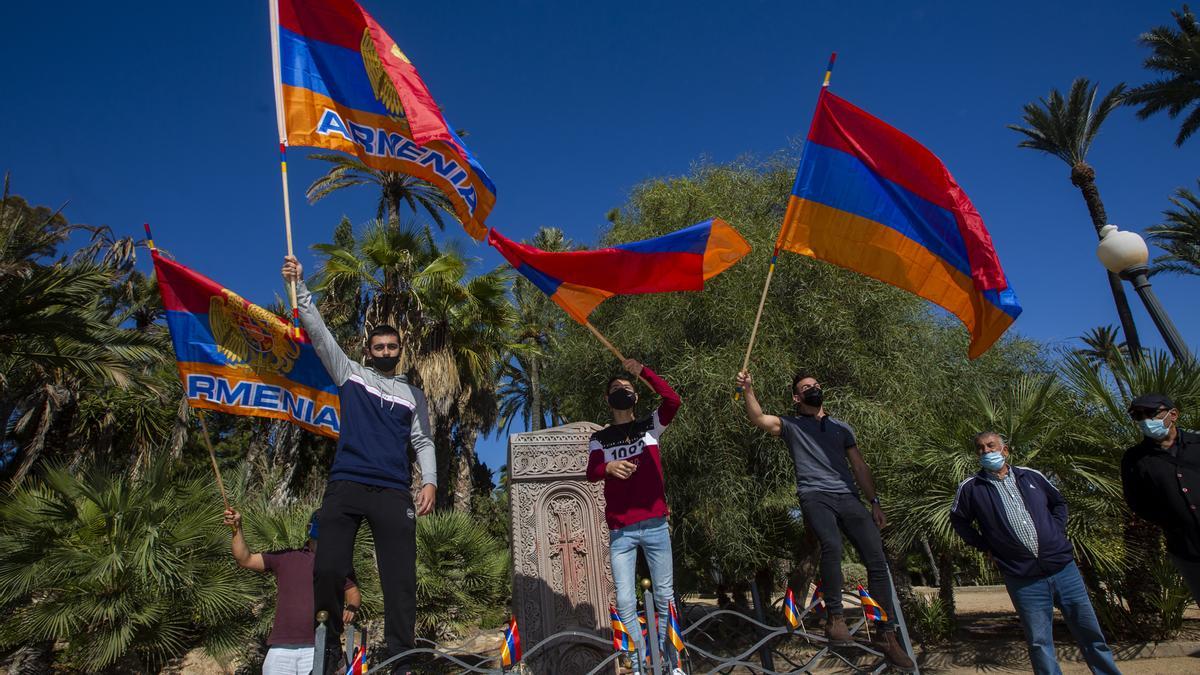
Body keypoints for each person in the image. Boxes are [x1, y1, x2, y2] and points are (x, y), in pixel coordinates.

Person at [282, 255, 436, 674]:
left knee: (399, 579)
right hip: (347, 483)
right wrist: (299, 286)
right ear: (368, 350)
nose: (385, 352)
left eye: (392, 347)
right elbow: (318, 332)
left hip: (392, 489)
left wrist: (430, 482)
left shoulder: (413, 394)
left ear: (400, 352)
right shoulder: (350, 374)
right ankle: (329, 646)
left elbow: (422, 439)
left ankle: (401, 656)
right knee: (328, 566)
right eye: (379, 347)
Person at [735, 370, 914, 672]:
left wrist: (874, 502)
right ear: (797, 397)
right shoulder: (791, 424)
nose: (813, 389)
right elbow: (758, 418)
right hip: (815, 495)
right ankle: (836, 618)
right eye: (806, 388)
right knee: (831, 545)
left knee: (876, 559)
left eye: (816, 386)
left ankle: (886, 634)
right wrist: (748, 390)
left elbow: (858, 465)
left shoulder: (842, 428)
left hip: (849, 497)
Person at [951, 432, 1120, 675]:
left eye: (991, 446)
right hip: (1022, 577)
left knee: (1090, 632)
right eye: (980, 449)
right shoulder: (971, 488)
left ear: (1005, 450)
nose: (986, 452)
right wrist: (986, 546)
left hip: (1063, 569)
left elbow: (1059, 503)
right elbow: (959, 521)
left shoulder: (1031, 476)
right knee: (1040, 642)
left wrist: (1055, 531)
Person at [587, 359, 684, 675]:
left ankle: (670, 664)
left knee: (665, 598)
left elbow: (673, 400)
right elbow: (591, 471)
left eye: (627, 389)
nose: (622, 392)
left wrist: (642, 372)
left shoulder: (651, 426)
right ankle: (643, 665)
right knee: (626, 603)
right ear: (607, 399)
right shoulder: (600, 438)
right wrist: (609, 468)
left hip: (656, 523)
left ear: (636, 396)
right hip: (621, 532)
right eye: (615, 389)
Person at [223, 508, 361, 675]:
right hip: (281, 646)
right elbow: (245, 559)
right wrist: (237, 528)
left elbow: (353, 592)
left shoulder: (338, 564)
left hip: (320, 644)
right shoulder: (286, 557)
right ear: (310, 529)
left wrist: (352, 607)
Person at [1122, 393, 1200, 605]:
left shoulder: (1197, 444)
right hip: (1187, 549)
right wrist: (1175, 522)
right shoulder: (1135, 459)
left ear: (1173, 414)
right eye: (1138, 416)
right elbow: (1137, 502)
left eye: (1151, 414)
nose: (1145, 420)